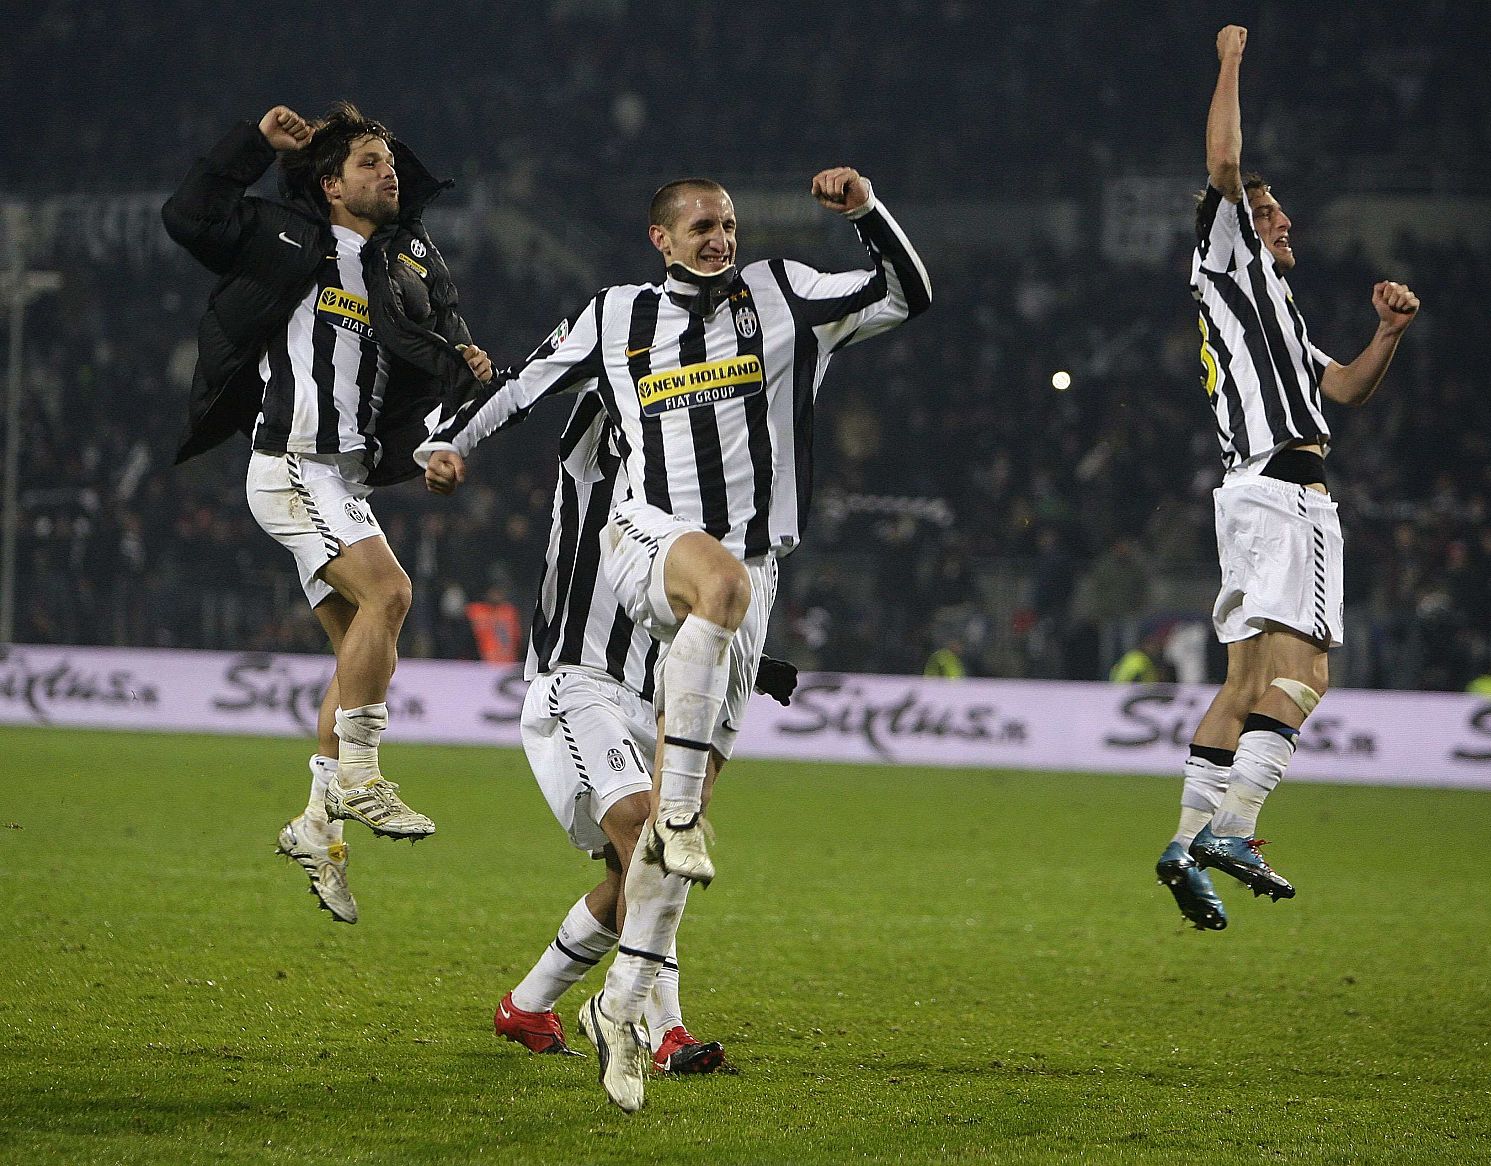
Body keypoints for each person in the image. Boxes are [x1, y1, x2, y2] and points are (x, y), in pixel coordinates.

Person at [420, 167, 931, 1109]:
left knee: (647, 853)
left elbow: (906, 294)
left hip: (717, 612)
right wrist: (444, 440)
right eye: (701, 224)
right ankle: (664, 1024)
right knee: (659, 821)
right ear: (660, 237)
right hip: (605, 627)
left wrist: (865, 215)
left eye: (729, 223)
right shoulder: (614, 347)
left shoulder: (779, 298)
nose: (719, 236)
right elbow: (530, 382)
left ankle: (566, 1001)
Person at [163, 103, 494, 924]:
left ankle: (318, 825)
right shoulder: (287, 242)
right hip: (290, 463)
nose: (390, 172)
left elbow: (410, 381)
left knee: (357, 650)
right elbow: (188, 216)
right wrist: (253, 145)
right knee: (392, 595)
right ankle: (361, 777)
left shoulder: (395, 268)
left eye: (390, 161)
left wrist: (440, 428)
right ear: (330, 181)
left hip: (344, 477)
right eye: (372, 162)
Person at [1156, 26, 1420, 931]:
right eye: (1274, 216)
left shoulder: (1270, 312)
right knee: (1308, 676)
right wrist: (1229, 60)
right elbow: (1224, 164)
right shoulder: (1228, 258)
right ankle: (1237, 826)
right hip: (1285, 495)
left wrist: (1386, 334)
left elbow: (1339, 387)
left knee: (1243, 683)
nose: (1284, 225)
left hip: (1245, 495)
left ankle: (1185, 840)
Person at [489, 387, 796, 1074]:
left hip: (642, 695)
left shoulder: (683, 517)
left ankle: (529, 1005)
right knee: (645, 831)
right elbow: (607, 383)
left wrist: (757, 659)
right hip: (575, 681)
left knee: (630, 871)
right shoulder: (592, 467)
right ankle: (665, 1032)